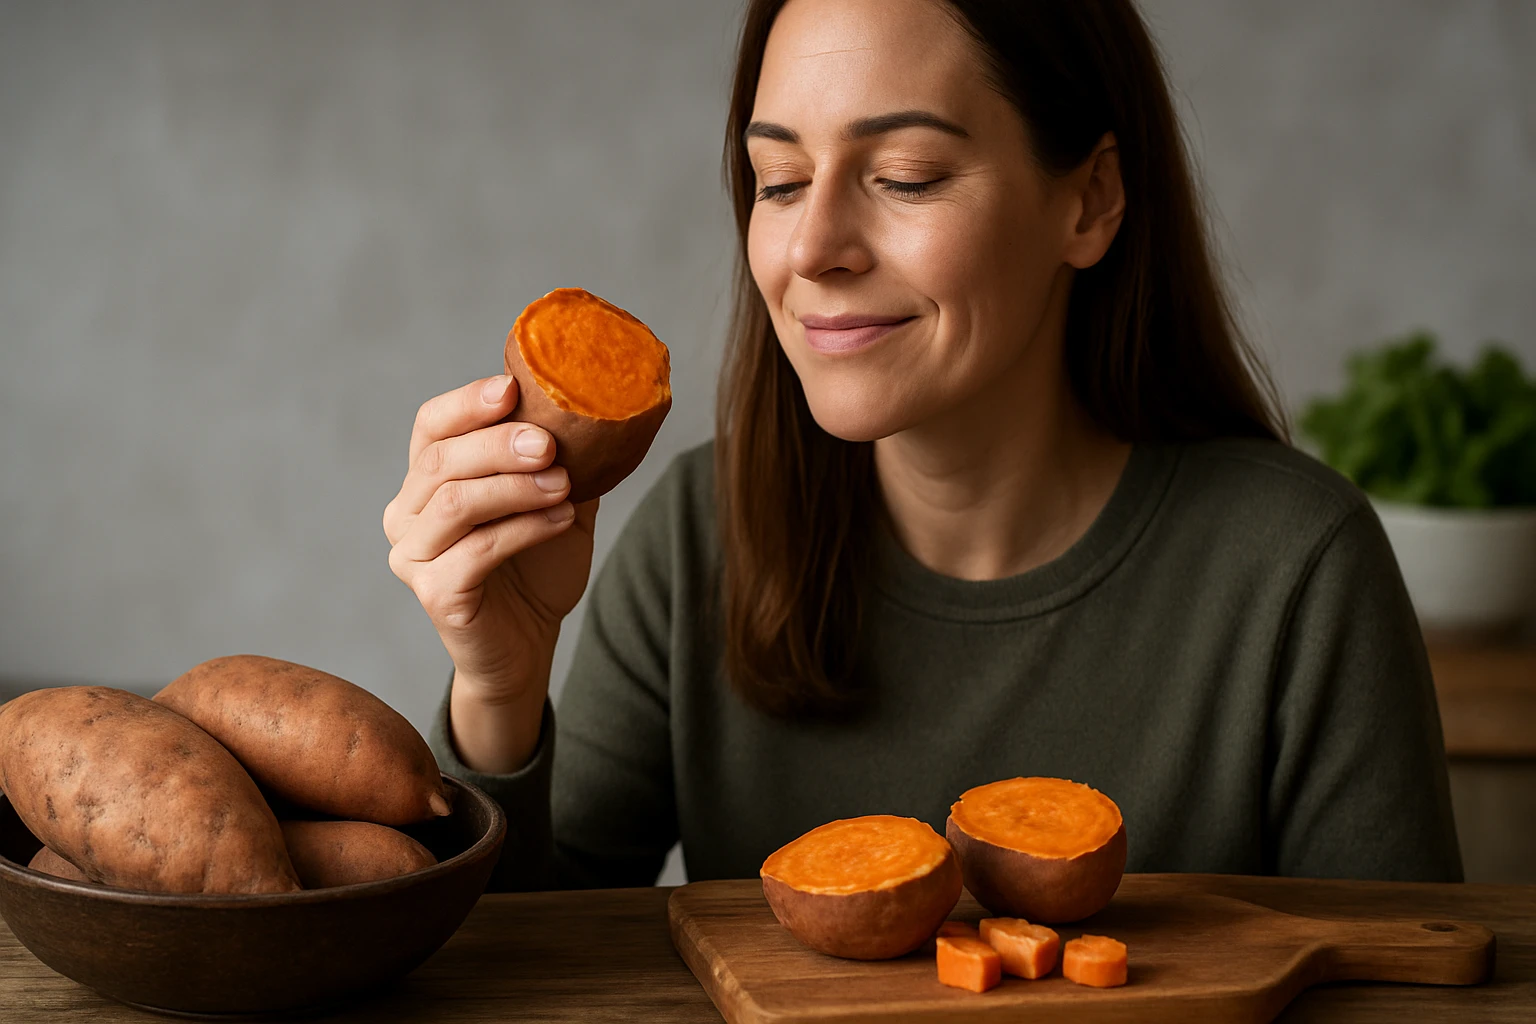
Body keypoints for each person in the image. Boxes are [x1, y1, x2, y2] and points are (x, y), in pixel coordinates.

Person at [382, 0, 1462, 891]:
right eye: (779, 182)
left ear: (1088, 201)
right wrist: (500, 689)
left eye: (903, 175)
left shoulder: (1299, 570)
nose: (812, 247)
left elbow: (1408, 979)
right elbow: (525, 972)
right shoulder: (696, 537)